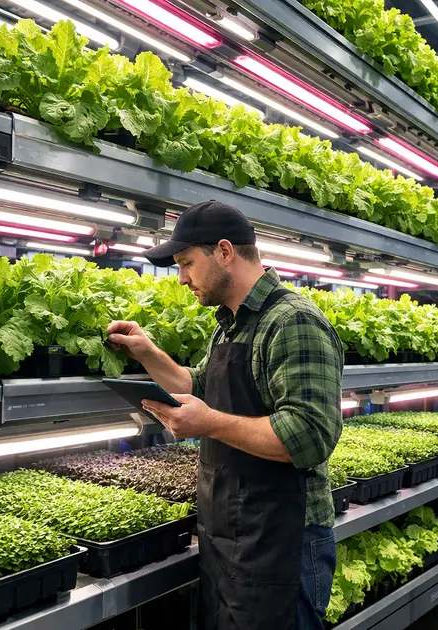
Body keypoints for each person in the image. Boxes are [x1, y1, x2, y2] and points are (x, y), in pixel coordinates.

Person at [106, 200, 344, 630]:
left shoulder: (292, 322)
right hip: (230, 535)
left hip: (284, 539)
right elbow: (197, 384)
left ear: (224, 252)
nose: (181, 278)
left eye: (186, 263)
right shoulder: (229, 323)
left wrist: (209, 423)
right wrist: (148, 352)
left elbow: (309, 436)